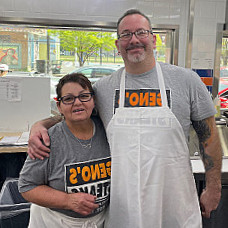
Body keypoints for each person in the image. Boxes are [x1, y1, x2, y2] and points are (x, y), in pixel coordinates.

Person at [27, 9, 222, 228]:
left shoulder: (186, 81)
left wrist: (213, 187)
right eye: (126, 35)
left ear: (154, 39)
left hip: (174, 203)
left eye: (141, 32)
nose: (134, 40)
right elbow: (74, 111)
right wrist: (40, 125)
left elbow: (210, 138)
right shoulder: (104, 88)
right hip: (124, 207)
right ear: (118, 45)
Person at [18, 73, 111, 228]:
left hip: (102, 220)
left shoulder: (108, 130)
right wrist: (67, 201)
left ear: (94, 101)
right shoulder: (48, 140)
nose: (77, 103)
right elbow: (27, 186)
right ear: (59, 106)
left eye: (84, 96)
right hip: (55, 221)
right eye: (68, 99)